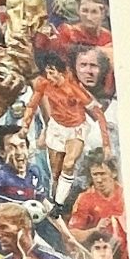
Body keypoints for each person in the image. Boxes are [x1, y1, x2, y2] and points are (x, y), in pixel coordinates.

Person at [19, 47, 111, 206]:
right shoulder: (44, 84)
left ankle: (59, 205)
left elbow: (98, 113)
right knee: (55, 173)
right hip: (56, 128)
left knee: (68, 164)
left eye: (52, 73)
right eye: (47, 73)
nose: (49, 76)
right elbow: (32, 105)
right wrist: (25, 126)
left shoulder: (74, 89)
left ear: (61, 72)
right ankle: (55, 202)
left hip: (76, 128)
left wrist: (106, 143)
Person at [67, 156, 127, 256]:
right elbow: (72, 234)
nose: (99, 179)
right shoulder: (85, 199)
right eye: (95, 174)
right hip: (102, 255)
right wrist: (95, 231)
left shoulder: (125, 194)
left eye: (102, 174)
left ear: (114, 173)